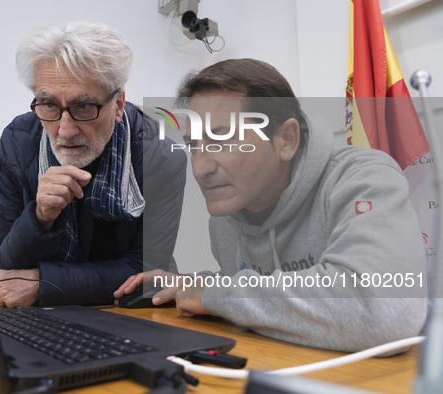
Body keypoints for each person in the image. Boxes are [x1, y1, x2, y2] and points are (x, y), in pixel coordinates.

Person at [115, 58, 427, 353]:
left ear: (286, 140)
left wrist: (215, 294)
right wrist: (197, 283)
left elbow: (384, 309)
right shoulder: (227, 216)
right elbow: (263, 297)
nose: (200, 169)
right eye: (195, 146)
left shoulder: (364, 178)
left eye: (221, 139)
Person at [0, 22, 186, 308]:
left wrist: (44, 284)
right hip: (37, 320)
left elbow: (148, 271)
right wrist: (39, 217)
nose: (65, 130)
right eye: (49, 104)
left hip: (129, 316)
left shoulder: (160, 156)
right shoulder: (18, 143)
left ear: (117, 105)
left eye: (84, 106)